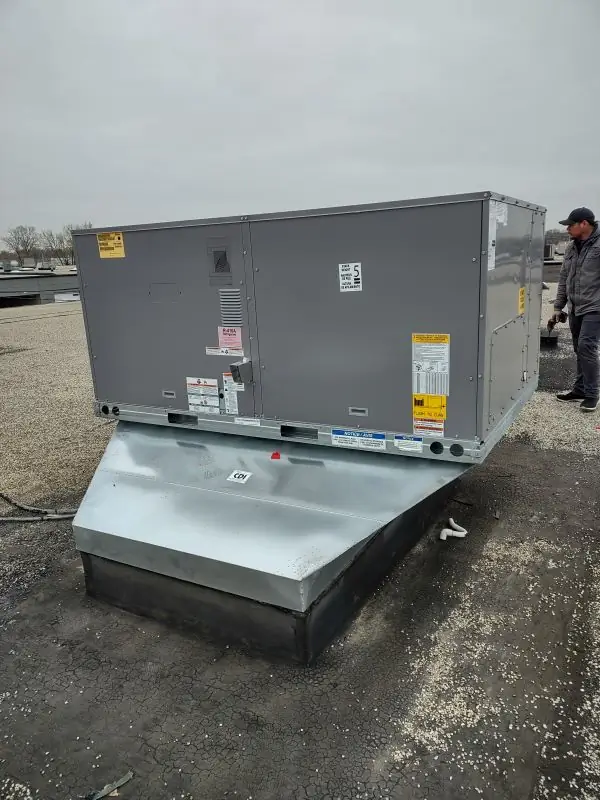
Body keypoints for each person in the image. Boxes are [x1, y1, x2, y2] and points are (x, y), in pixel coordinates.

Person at [553, 207, 600, 412]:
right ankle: (580, 389)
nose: (567, 230)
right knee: (578, 349)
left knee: (586, 347)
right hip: (575, 307)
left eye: (570, 225)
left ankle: (592, 394)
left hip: (595, 307)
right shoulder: (572, 248)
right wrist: (558, 306)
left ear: (584, 224)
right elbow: (564, 278)